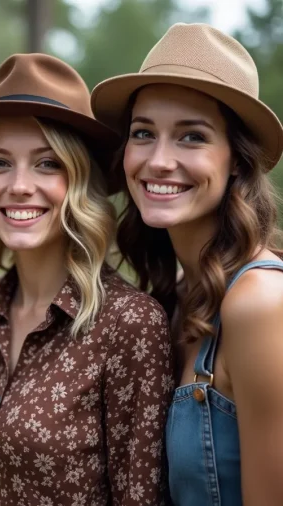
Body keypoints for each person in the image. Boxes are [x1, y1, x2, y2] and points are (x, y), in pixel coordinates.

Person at [0, 53, 174, 505]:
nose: (19, 185)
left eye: (47, 164)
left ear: (80, 182)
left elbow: (139, 495)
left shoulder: (130, 324)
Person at [91, 23, 283, 505]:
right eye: (143, 133)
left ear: (237, 160)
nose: (158, 160)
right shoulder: (174, 296)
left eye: (191, 137)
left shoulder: (259, 305)